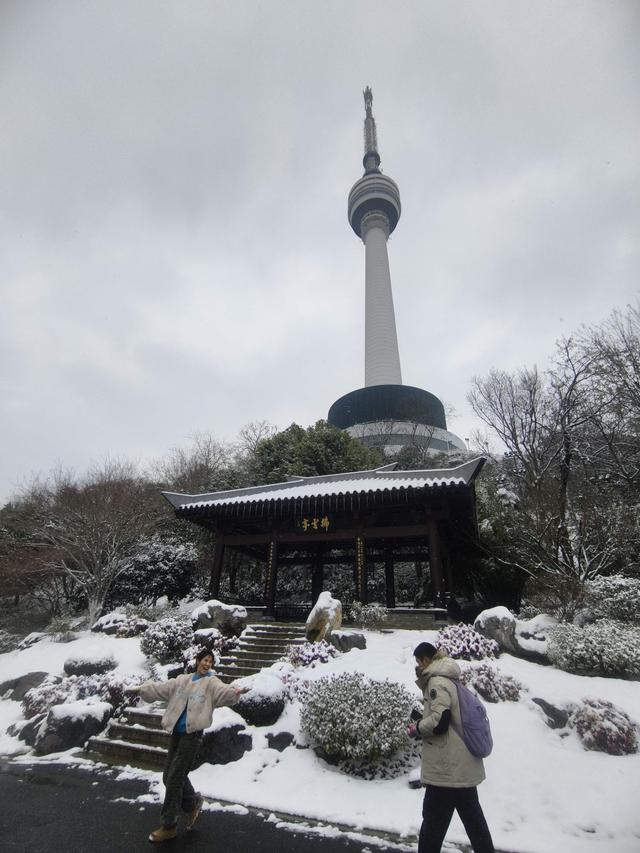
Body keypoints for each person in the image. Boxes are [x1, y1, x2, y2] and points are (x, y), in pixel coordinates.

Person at [126, 647, 246, 843]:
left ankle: (169, 825)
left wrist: (235, 692)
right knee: (169, 776)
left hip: (193, 736)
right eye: (204, 660)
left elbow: (224, 692)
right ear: (197, 661)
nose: (207, 664)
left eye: (210, 661)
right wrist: (141, 689)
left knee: (174, 778)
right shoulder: (183, 680)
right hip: (176, 734)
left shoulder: (211, 683)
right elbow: (161, 688)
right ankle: (192, 803)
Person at [408, 642, 495, 853]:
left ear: (426, 659)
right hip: (461, 766)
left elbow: (440, 721)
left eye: (419, 661)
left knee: (432, 824)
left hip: (446, 768)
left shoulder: (437, 681)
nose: (418, 666)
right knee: (474, 824)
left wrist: (417, 727)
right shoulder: (450, 679)